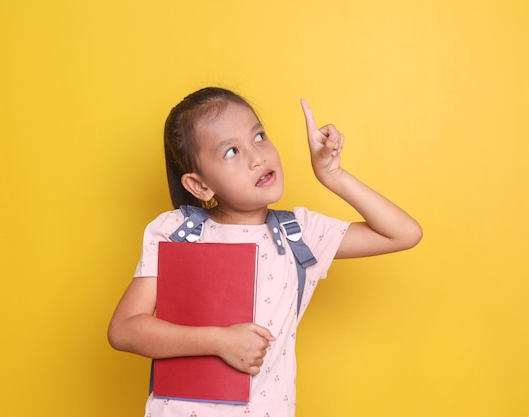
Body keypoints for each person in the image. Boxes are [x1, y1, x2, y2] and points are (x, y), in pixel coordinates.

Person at [108, 87, 422, 417]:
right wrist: (220, 342)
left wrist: (332, 175)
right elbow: (124, 329)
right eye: (231, 152)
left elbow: (403, 233)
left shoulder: (300, 234)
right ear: (200, 186)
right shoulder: (178, 231)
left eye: (258, 136)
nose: (257, 157)